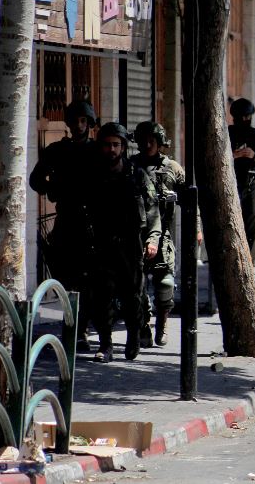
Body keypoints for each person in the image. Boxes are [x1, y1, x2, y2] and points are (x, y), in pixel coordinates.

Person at [29, 100, 99, 353]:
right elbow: (36, 179)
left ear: (90, 124)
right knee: (64, 278)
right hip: (67, 221)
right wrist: (54, 189)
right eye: (75, 121)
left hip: (93, 224)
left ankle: (83, 330)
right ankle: (71, 327)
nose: (79, 126)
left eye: (84, 121)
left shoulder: (98, 151)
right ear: (68, 123)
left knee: (90, 282)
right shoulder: (56, 151)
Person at [88, 122, 161, 363]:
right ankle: (105, 345)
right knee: (102, 297)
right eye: (107, 145)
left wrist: (153, 239)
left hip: (130, 246)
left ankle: (132, 339)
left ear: (123, 147)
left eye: (116, 145)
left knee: (133, 297)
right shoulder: (94, 174)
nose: (111, 149)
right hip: (102, 245)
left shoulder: (135, 174)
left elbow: (152, 209)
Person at [130, 121, 199, 348]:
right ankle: (143, 327)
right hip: (135, 235)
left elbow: (190, 200)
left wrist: (196, 227)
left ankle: (163, 323)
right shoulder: (131, 167)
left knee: (165, 283)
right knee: (136, 287)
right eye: (144, 140)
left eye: (153, 140)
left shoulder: (173, 169)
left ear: (160, 142)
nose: (148, 144)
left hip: (164, 235)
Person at [228, 97, 255, 256]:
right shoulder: (227, 135)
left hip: (252, 189)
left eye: (247, 117)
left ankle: (249, 263)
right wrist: (231, 156)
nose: (244, 120)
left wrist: (254, 156)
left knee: (252, 231)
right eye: (241, 118)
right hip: (230, 187)